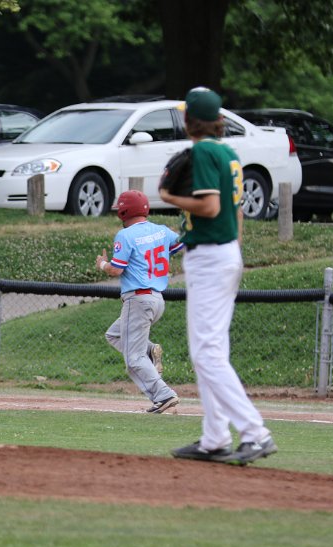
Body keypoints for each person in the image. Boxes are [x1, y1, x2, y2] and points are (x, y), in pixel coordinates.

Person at [159, 86, 276, 465]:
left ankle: (255, 433)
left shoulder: (205, 152)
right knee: (210, 351)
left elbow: (209, 207)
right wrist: (232, 251)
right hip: (224, 252)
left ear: (189, 120)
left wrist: (169, 197)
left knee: (207, 353)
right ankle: (215, 438)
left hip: (210, 255)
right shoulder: (229, 153)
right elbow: (235, 211)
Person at [95, 190, 183, 414]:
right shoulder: (161, 230)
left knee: (134, 359)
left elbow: (116, 269)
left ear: (123, 212)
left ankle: (164, 395)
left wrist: (103, 264)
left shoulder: (125, 235)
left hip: (138, 300)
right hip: (157, 299)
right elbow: (182, 245)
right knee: (114, 335)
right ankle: (151, 350)